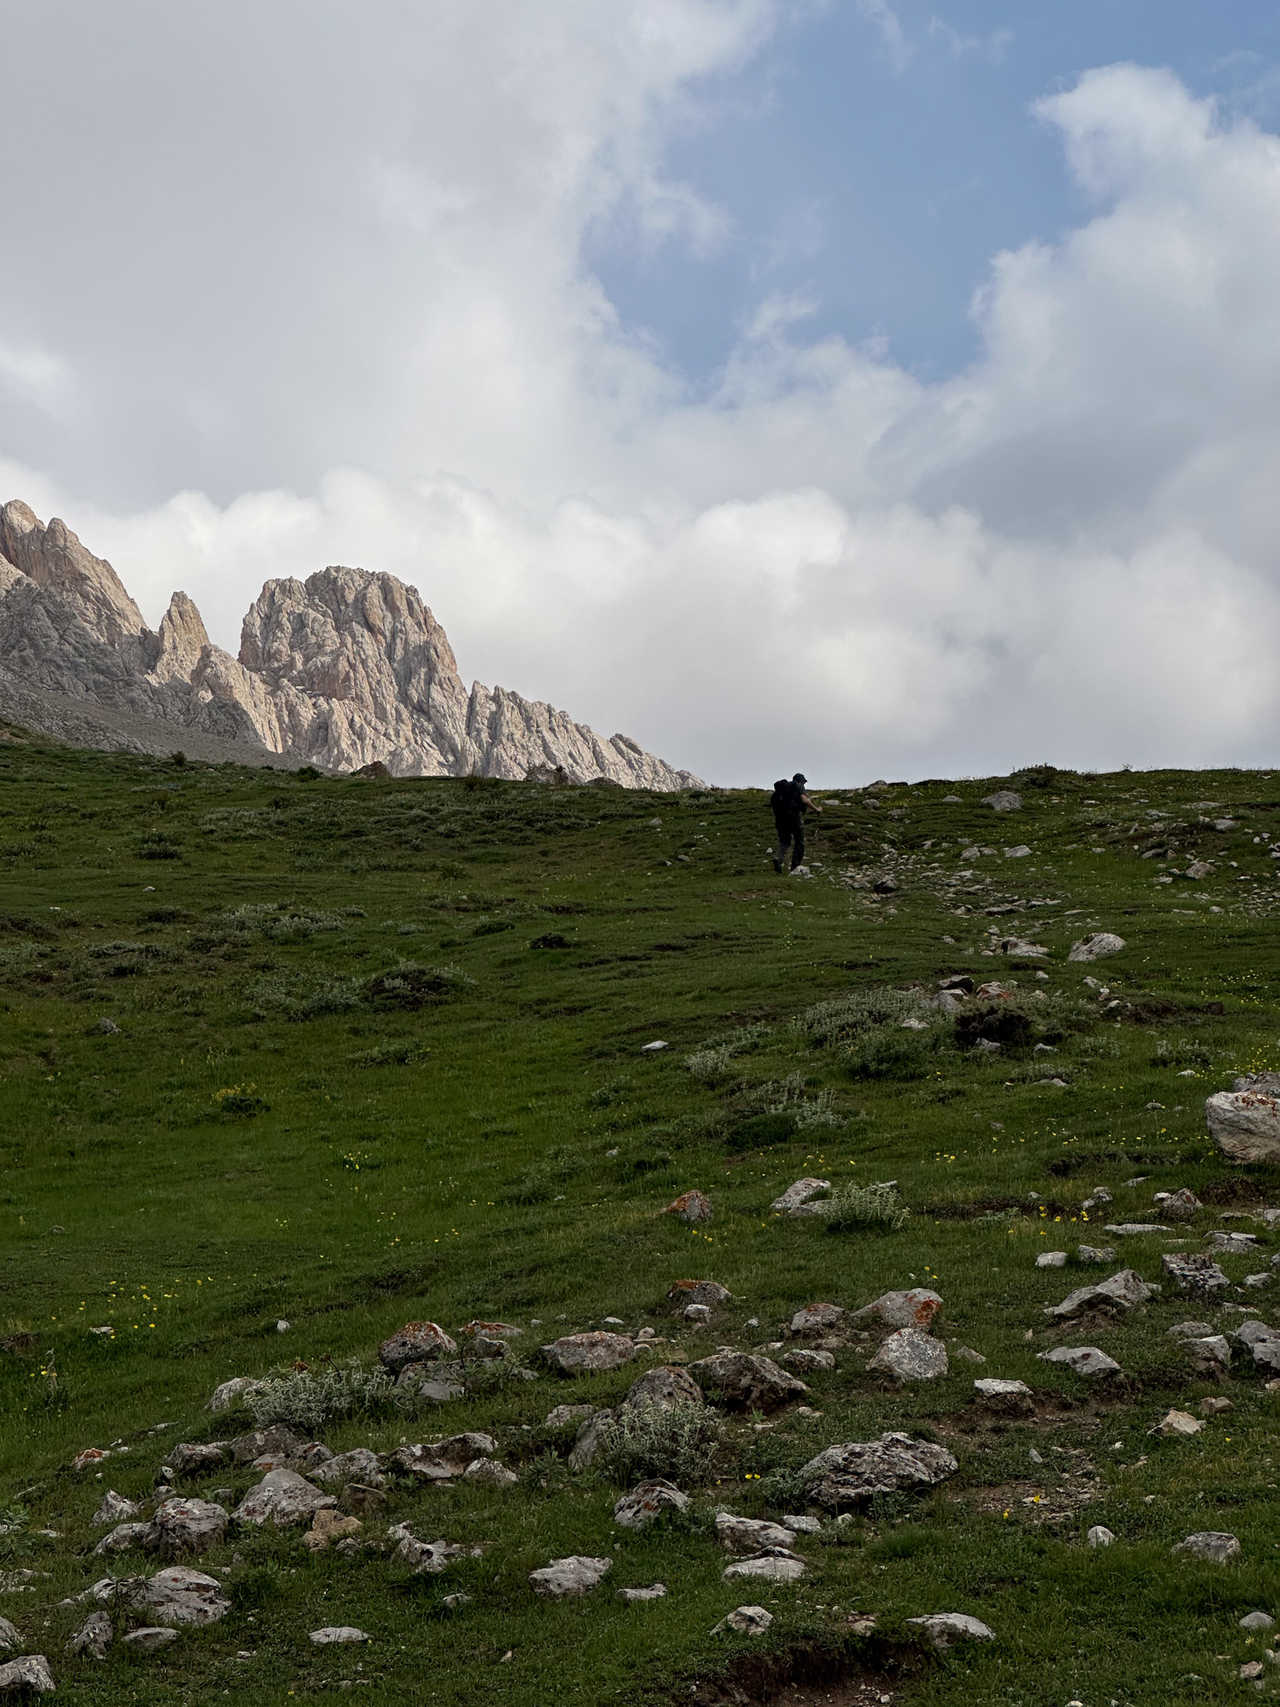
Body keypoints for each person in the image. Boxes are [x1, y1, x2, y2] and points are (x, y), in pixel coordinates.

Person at [770, 772, 821, 872]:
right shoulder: (797, 786)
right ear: (801, 781)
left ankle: (778, 859)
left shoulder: (777, 793)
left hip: (780, 821)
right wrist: (816, 809)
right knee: (799, 841)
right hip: (794, 818)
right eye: (804, 782)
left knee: (784, 841)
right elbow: (805, 800)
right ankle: (795, 866)